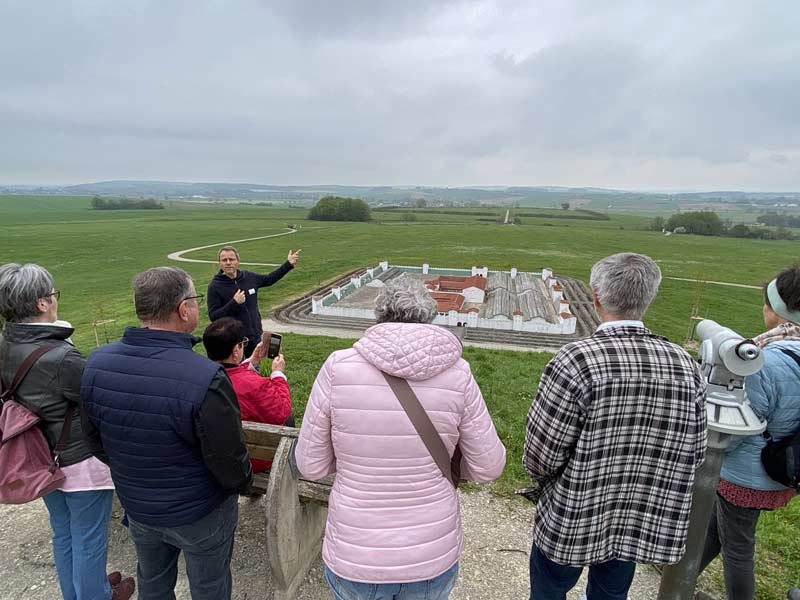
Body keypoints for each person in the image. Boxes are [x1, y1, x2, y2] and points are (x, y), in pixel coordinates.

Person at [295, 276, 506, 600]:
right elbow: (489, 467)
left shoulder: (338, 368)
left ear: (379, 315)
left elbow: (309, 465)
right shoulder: (458, 373)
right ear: (428, 316)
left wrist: (354, 457)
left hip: (357, 555)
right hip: (431, 556)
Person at [523, 253, 707, 600]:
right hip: (638, 514)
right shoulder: (685, 364)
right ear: (650, 298)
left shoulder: (576, 360)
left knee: (549, 590)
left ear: (595, 296)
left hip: (573, 510)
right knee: (611, 593)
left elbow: (540, 455)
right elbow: (695, 452)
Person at [80, 266, 252, 600]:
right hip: (199, 511)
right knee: (210, 587)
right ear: (183, 309)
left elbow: (94, 439)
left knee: (153, 583)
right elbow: (229, 461)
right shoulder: (205, 376)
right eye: (195, 300)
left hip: (139, 506)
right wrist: (241, 485)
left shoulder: (97, 363)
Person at [0, 263, 134, 600]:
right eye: (53, 295)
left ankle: (80, 590)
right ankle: (95, 595)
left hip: (37, 456)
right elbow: (100, 399)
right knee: (89, 537)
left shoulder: (5, 344)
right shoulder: (59, 356)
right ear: (43, 304)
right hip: (78, 459)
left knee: (63, 533)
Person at [698, 265, 800, 600]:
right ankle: (682, 574)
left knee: (738, 550)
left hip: (747, 474)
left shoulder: (768, 363)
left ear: (780, 311)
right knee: (716, 527)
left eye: (767, 304)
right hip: (784, 465)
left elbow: (737, 428)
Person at [203, 316, 292, 472]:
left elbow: (231, 373)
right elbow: (282, 412)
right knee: (288, 421)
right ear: (236, 350)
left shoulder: (200, 376)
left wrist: (252, 361)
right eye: (242, 343)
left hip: (214, 455)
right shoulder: (255, 385)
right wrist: (278, 374)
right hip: (250, 460)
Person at [207, 246, 300, 358]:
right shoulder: (215, 286)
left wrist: (288, 264)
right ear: (220, 263)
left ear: (238, 261)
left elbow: (269, 279)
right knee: (239, 373)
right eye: (224, 260)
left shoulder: (249, 277)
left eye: (231, 259)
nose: (228, 263)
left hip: (255, 336)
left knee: (255, 370)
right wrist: (234, 303)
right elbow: (214, 316)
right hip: (234, 342)